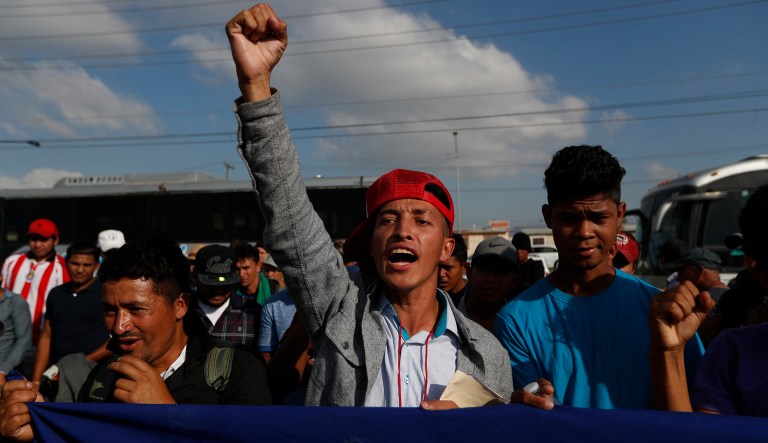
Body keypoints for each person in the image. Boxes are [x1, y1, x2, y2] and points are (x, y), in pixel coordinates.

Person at [226, 3, 511, 408]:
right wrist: (256, 88)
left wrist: (501, 413)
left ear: (448, 249)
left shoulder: (488, 354)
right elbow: (288, 213)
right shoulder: (338, 310)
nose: (402, 230)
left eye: (421, 219)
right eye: (388, 219)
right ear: (373, 246)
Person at [494, 145, 703, 410]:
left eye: (598, 217)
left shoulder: (661, 312)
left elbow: (694, 415)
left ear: (619, 215)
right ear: (549, 217)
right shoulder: (515, 320)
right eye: (569, 217)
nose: (584, 232)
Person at [0, 238, 270, 442]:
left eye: (137, 309)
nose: (119, 326)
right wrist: (42, 425)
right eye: (109, 310)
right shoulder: (101, 379)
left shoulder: (239, 371)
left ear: (180, 305)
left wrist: (167, 416)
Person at [649, 184, 768, 417]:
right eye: (752, 252)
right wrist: (669, 351)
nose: (750, 264)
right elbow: (700, 433)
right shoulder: (734, 351)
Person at [32, 242, 111, 398]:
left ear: (96, 265)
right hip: (54, 374)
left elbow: (115, 339)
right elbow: (46, 337)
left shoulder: (106, 292)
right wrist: (35, 381)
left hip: (95, 372)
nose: (80, 269)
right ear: (66, 262)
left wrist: (73, 365)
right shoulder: (56, 294)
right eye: (75, 263)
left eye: (86, 265)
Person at [1, 219, 69, 345]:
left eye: (43, 239)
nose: (37, 244)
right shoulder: (11, 262)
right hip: (9, 338)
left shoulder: (63, 267)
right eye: (33, 239)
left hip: (41, 341)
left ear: (56, 240)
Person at [191, 244, 261, 348]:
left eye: (225, 285)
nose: (218, 290)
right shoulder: (181, 312)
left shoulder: (254, 313)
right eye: (210, 284)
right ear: (194, 276)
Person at [458, 237, 517, 331]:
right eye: (484, 269)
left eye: (500, 272)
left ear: (514, 281)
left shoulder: (519, 327)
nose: (490, 279)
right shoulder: (446, 319)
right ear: (469, 273)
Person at [665, 248, 729, 304]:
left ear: (699, 271)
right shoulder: (731, 296)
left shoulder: (703, 303)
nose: (678, 278)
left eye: (681, 272)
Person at [0, 274, 32, 383]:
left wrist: (3, 371)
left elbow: (24, 340)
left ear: (0, 277)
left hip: (6, 370)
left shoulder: (15, 302)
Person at [437, 234, 468, 306]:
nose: (441, 274)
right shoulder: (427, 296)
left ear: (464, 268)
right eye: (437, 267)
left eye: (448, 268)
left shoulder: (475, 298)